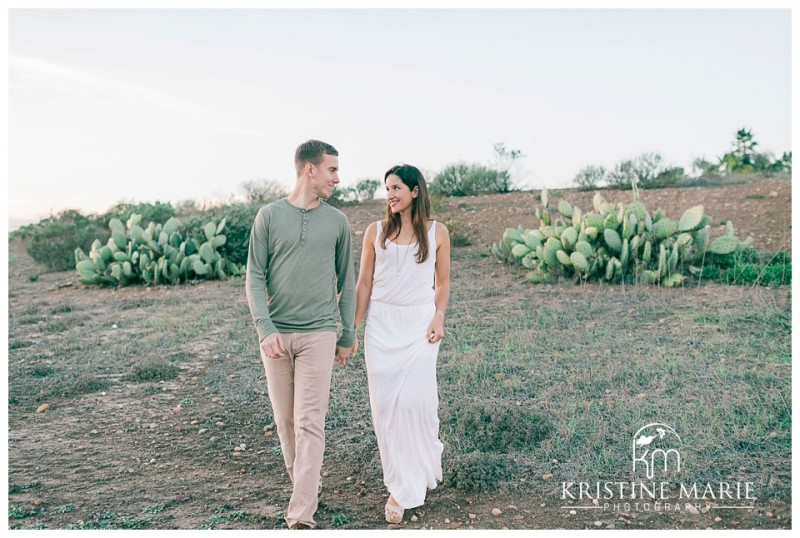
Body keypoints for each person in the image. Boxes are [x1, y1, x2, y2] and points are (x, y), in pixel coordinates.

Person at [245, 140, 356, 530]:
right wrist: (265, 328)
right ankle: (306, 486)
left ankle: (301, 512)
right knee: (285, 421)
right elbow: (254, 277)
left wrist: (348, 333)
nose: (338, 179)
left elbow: (347, 279)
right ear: (310, 169)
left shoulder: (338, 221)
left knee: (310, 420)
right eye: (332, 170)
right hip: (276, 337)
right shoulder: (269, 216)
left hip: (320, 335)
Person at [354, 164, 451, 524]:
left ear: (414, 191)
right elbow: (363, 284)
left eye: (396, 188)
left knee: (415, 403)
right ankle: (399, 486)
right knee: (385, 410)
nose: (390, 195)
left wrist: (438, 317)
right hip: (381, 326)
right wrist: (353, 328)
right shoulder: (374, 232)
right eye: (387, 189)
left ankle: (418, 473)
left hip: (418, 326)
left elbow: (441, 284)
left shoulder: (437, 232)